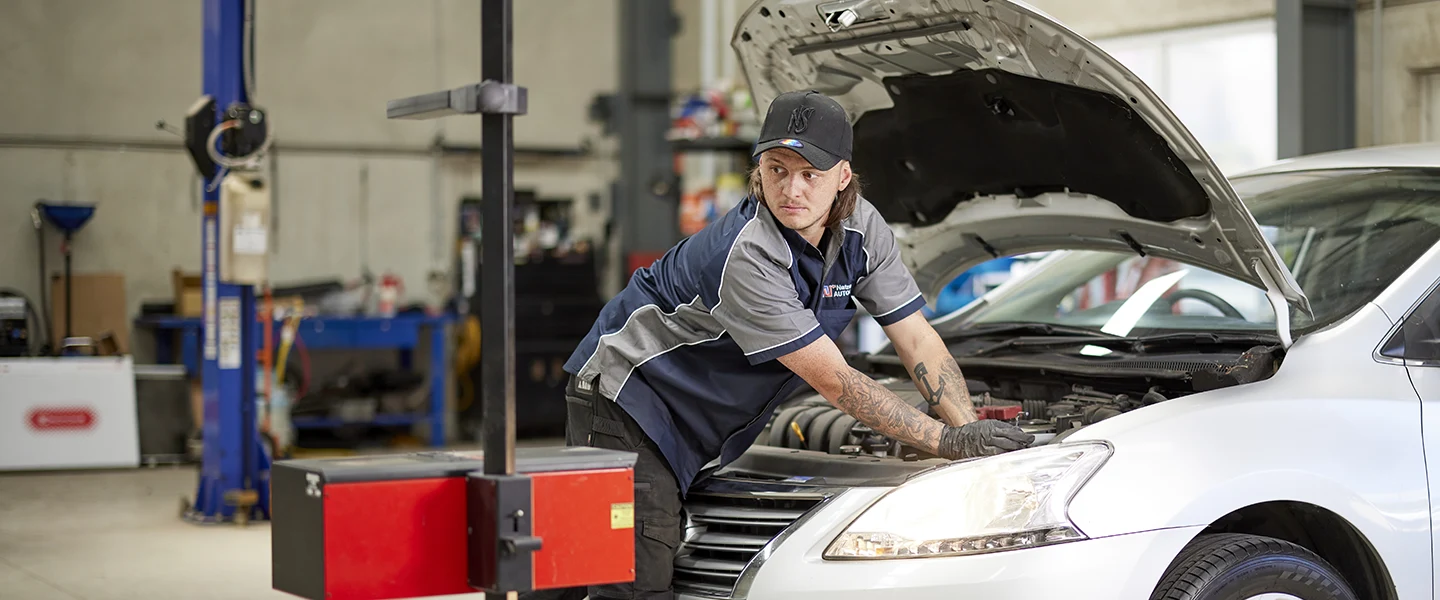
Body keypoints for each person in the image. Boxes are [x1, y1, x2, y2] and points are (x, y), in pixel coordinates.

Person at [533, 91, 1034, 600]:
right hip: (628, 396)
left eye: (810, 174)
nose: (791, 189)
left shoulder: (864, 228)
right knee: (632, 569)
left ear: (843, 176)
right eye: (777, 169)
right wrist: (944, 442)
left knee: (578, 558)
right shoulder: (746, 252)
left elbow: (915, 334)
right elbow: (834, 381)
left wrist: (969, 431)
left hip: (697, 411)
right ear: (758, 170)